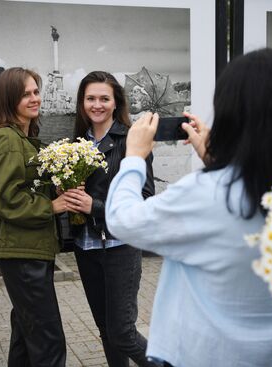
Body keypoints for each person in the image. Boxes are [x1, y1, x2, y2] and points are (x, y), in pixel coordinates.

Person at [105, 48, 272, 366]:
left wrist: (134, 157)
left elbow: (123, 220)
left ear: (229, 113)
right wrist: (220, 161)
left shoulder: (205, 194)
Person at [62, 71, 156, 367]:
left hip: (120, 246)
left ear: (116, 103)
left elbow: (145, 198)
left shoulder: (131, 140)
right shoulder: (74, 143)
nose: (97, 105)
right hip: (86, 247)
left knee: (124, 332)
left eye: (104, 98)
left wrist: (95, 205)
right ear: (82, 103)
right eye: (91, 98)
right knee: (106, 330)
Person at [0, 67, 67, 367]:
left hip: (31, 249)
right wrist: (51, 207)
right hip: (22, 252)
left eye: (35, 91)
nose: (35, 99)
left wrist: (53, 187)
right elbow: (2, 198)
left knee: (26, 333)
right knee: (49, 341)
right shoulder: (7, 139)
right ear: (9, 99)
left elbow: (23, 187)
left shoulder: (26, 137)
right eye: (25, 94)